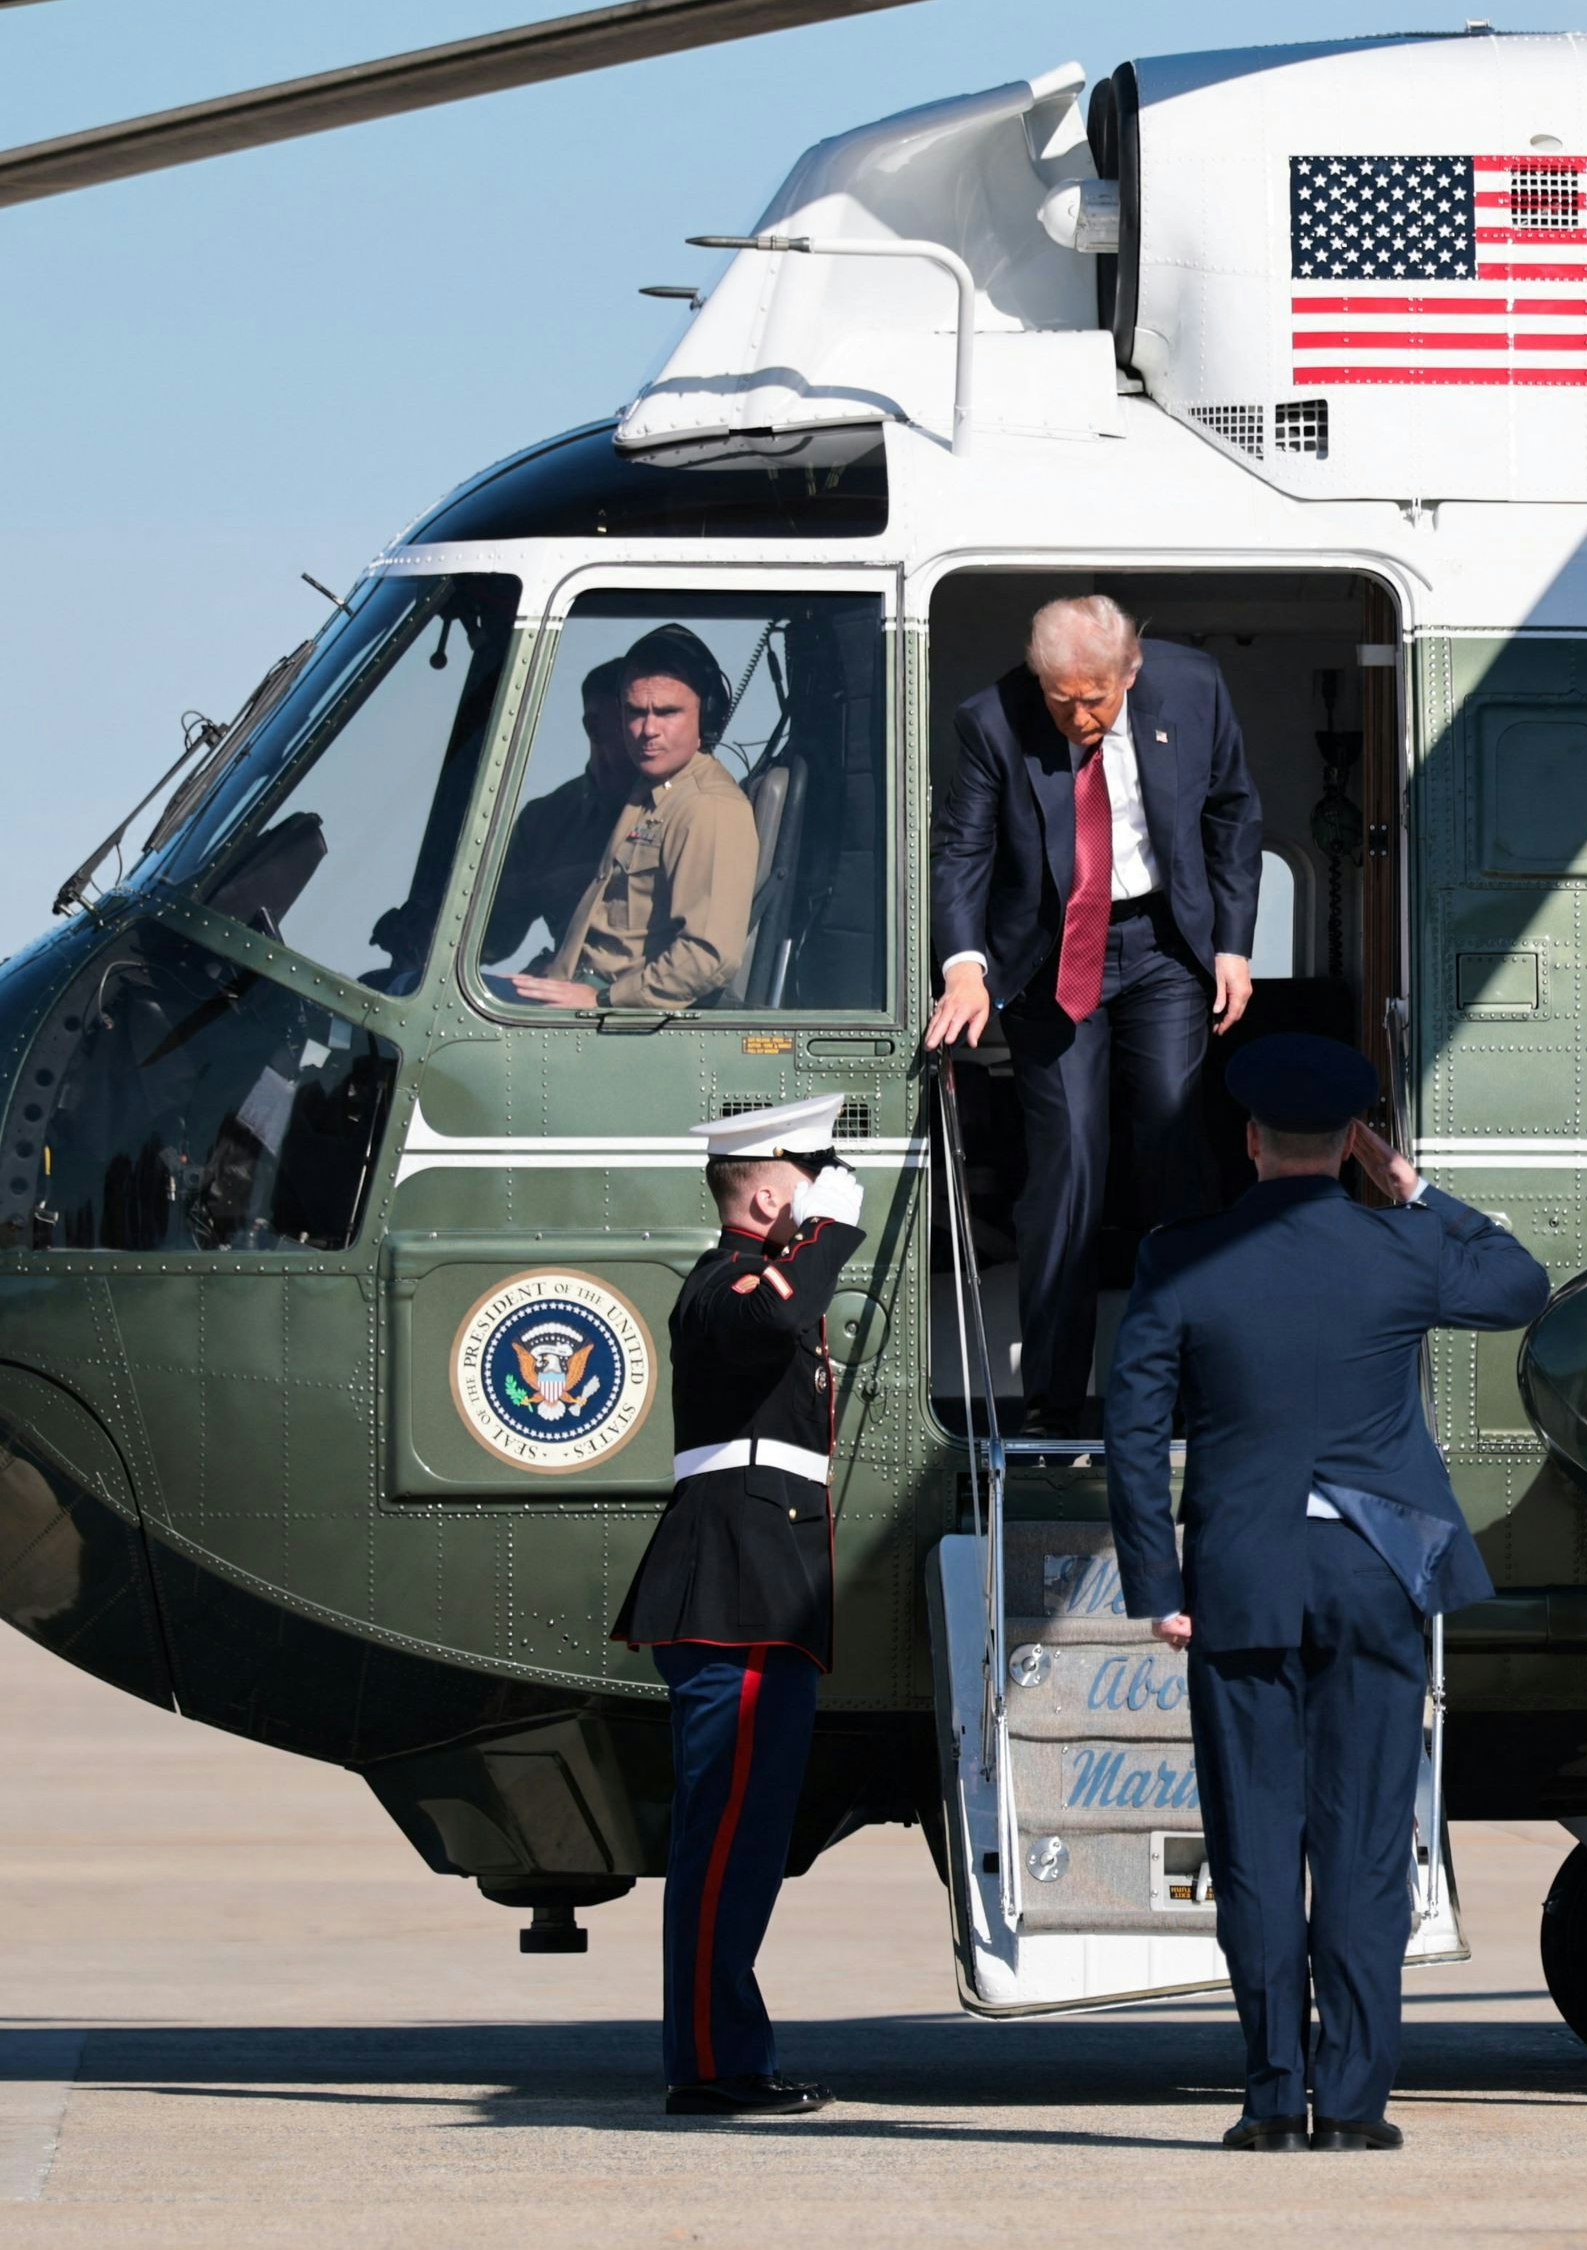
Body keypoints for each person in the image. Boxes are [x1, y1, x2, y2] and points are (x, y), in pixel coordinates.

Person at [1103, 1036, 1547, 2153]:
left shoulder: (1180, 1257)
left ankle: (1270, 2101)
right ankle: (1351, 2104)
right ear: (1352, 1142)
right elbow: (1520, 1283)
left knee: (1255, 1845)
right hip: (1373, 1568)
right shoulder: (1403, 1247)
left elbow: (1133, 1431)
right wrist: (1416, 1190)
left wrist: (1157, 1582)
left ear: (1250, 1139)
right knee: (1362, 1840)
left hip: (1241, 1573)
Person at [927, 595, 1264, 1435]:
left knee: (1173, 1142)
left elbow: (1232, 812)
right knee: (1067, 1161)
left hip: (1163, 946)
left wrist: (1233, 944)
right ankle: (1053, 1399)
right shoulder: (989, 722)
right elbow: (962, 850)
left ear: (1131, 672)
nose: (1079, 718)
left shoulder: (1193, 685)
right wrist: (964, 966)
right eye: (1061, 699)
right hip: (1052, 955)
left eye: (1095, 699)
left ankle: (1189, 1388)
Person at [610, 1091, 868, 2118]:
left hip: (760, 1594)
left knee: (743, 1845)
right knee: (723, 1846)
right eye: (808, 1179)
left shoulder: (752, 1281)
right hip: (737, 1596)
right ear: (766, 1195)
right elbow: (774, 1313)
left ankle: (725, 2057)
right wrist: (832, 1232)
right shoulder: (723, 1285)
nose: (822, 1194)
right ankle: (713, 2066)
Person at [483, 626, 759, 1010]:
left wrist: (602, 1000)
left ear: (706, 716)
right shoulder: (645, 796)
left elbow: (709, 956)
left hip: (606, 1011)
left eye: (668, 712)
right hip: (570, 990)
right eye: (635, 712)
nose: (648, 730)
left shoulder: (708, 807)